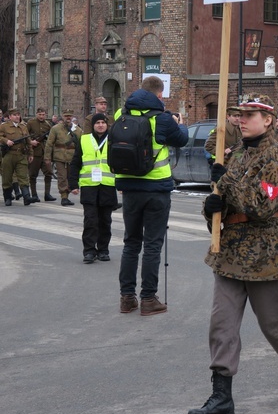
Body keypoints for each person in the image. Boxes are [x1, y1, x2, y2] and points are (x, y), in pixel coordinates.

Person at [186, 95, 278, 414]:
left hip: (264, 251)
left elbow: (262, 206)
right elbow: (228, 199)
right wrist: (212, 210)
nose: (242, 119)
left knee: (276, 323)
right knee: (222, 325)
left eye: (250, 115)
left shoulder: (277, 158)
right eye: (239, 114)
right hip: (231, 249)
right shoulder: (235, 154)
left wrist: (227, 181)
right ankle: (221, 397)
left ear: (269, 120)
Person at [116, 76, 188, 316]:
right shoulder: (163, 119)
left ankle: (127, 298)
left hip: (130, 188)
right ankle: (148, 299)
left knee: (131, 243)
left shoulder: (120, 115)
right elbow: (182, 140)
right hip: (156, 189)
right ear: (159, 95)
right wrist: (180, 123)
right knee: (153, 245)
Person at [69, 114, 117, 263]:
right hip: (89, 186)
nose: (101, 125)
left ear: (107, 125)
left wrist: (122, 183)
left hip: (107, 186)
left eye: (103, 122)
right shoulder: (84, 140)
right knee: (90, 221)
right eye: (98, 123)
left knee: (105, 221)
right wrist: (73, 184)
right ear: (93, 125)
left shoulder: (113, 140)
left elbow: (120, 163)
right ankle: (89, 251)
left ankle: (103, 250)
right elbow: (75, 163)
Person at [44, 109, 82, 206]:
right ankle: (64, 196)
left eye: (70, 116)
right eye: (66, 116)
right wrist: (47, 157)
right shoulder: (56, 129)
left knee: (70, 177)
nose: (68, 118)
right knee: (62, 177)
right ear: (63, 116)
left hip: (72, 156)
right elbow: (49, 143)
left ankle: (67, 194)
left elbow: (82, 144)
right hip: (59, 156)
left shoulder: (78, 130)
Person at [0, 108, 33, 206]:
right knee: (7, 177)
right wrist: (6, 141)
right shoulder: (4, 126)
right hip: (9, 154)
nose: (17, 117)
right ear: (10, 117)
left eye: (18, 115)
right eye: (15, 115)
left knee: (23, 176)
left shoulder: (23, 127)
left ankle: (26, 197)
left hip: (21, 155)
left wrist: (31, 153)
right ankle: (8, 197)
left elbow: (28, 141)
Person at [26, 107, 55, 202]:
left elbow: (51, 137)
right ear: (36, 114)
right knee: (33, 174)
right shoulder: (31, 123)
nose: (42, 116)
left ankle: (47, 194)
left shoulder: (48, 124)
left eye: (43, 115)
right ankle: (34, 194)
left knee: (48, 173)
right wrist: (31, 142)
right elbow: (24, 135)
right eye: (40, 115)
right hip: (34, 152)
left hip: (44, 152)